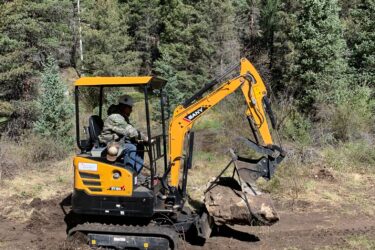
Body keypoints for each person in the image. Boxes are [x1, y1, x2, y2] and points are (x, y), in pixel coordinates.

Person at [98, 95, 147, 174]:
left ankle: (136, 173)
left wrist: (140, 139)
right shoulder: (115, 117)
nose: (131, 110)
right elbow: (129, 130)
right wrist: (146, 138)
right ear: (124, 107)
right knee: (131, 147)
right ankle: (129, 173)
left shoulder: (122, 116)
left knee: (140, 145)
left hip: (118, 140)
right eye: (130, 108)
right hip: (109, 142)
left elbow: (130, 130)